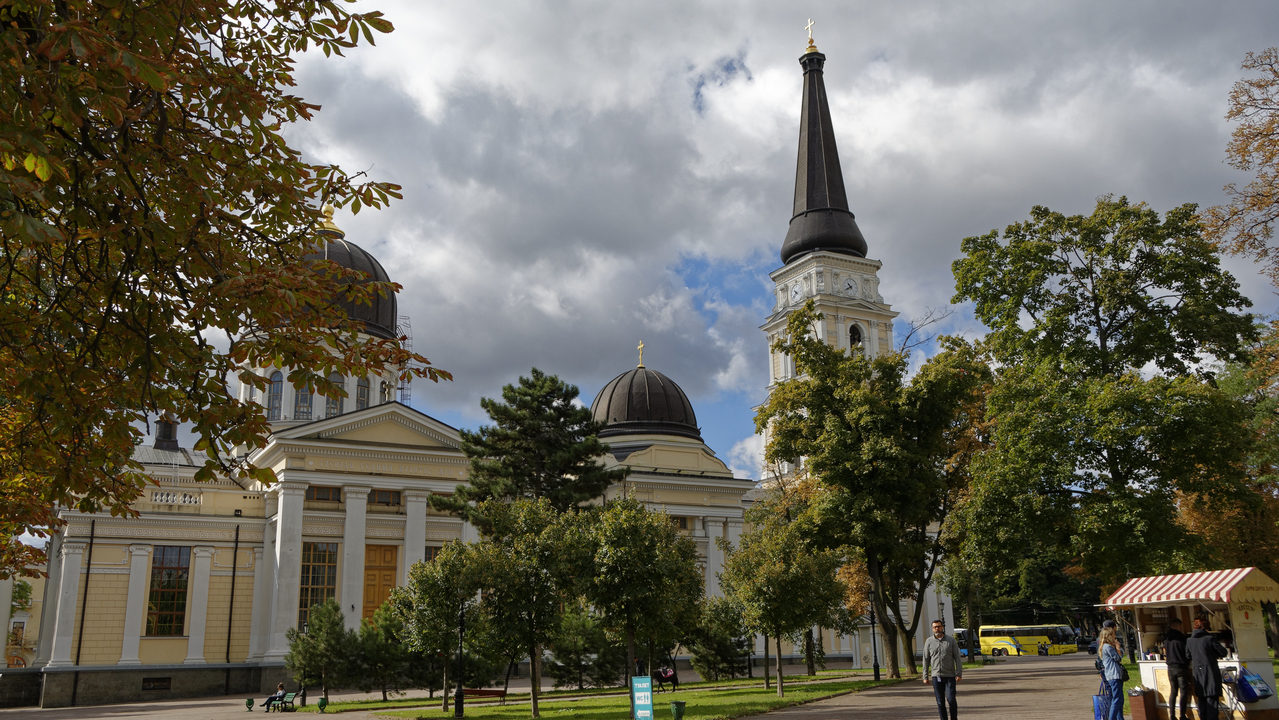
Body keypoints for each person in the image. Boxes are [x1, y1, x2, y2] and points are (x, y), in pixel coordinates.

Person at [1188, 614, 1228, 720]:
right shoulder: (1209, 639)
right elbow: (1223, 652)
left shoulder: (1189, 641)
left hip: (1197, 672)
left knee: (1201, 698)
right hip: (1210, 671)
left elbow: (1187, 655)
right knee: (1212, 697)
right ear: (1206, 627)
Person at [923, 619, 963, 720]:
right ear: (932, 629)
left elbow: (957, 657)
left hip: (949, 675)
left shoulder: (951, 640)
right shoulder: (929, 641)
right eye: (935, 627)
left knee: (951, 699)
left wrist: (959, 673)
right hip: (936, 676)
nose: (937, 629)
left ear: (942, 627)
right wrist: (925, 676)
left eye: (939, 626)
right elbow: (926, 659)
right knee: (940, 702)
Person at [1164, 618, 1191, 720]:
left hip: (1170, 667)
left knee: (1173, 691)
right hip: (1181, 667)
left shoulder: (1166, 638)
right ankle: (1182, 715)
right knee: (1183, 692)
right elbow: (1187, 652)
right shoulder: (1182, 638)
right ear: (1179, 626)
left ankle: (1172, 715)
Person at [1098, 626, 1125, 720]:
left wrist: (1118, 649)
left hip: (1112, 675)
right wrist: (1118, 648)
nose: (1115, 636)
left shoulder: (1105, 647)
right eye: (1113, 634)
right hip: (1114, 675)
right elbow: (1118, 658)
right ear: (1109, 636)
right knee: (1117, 699)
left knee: (1119, 699)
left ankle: (1120, 718)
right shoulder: (1108, 647)